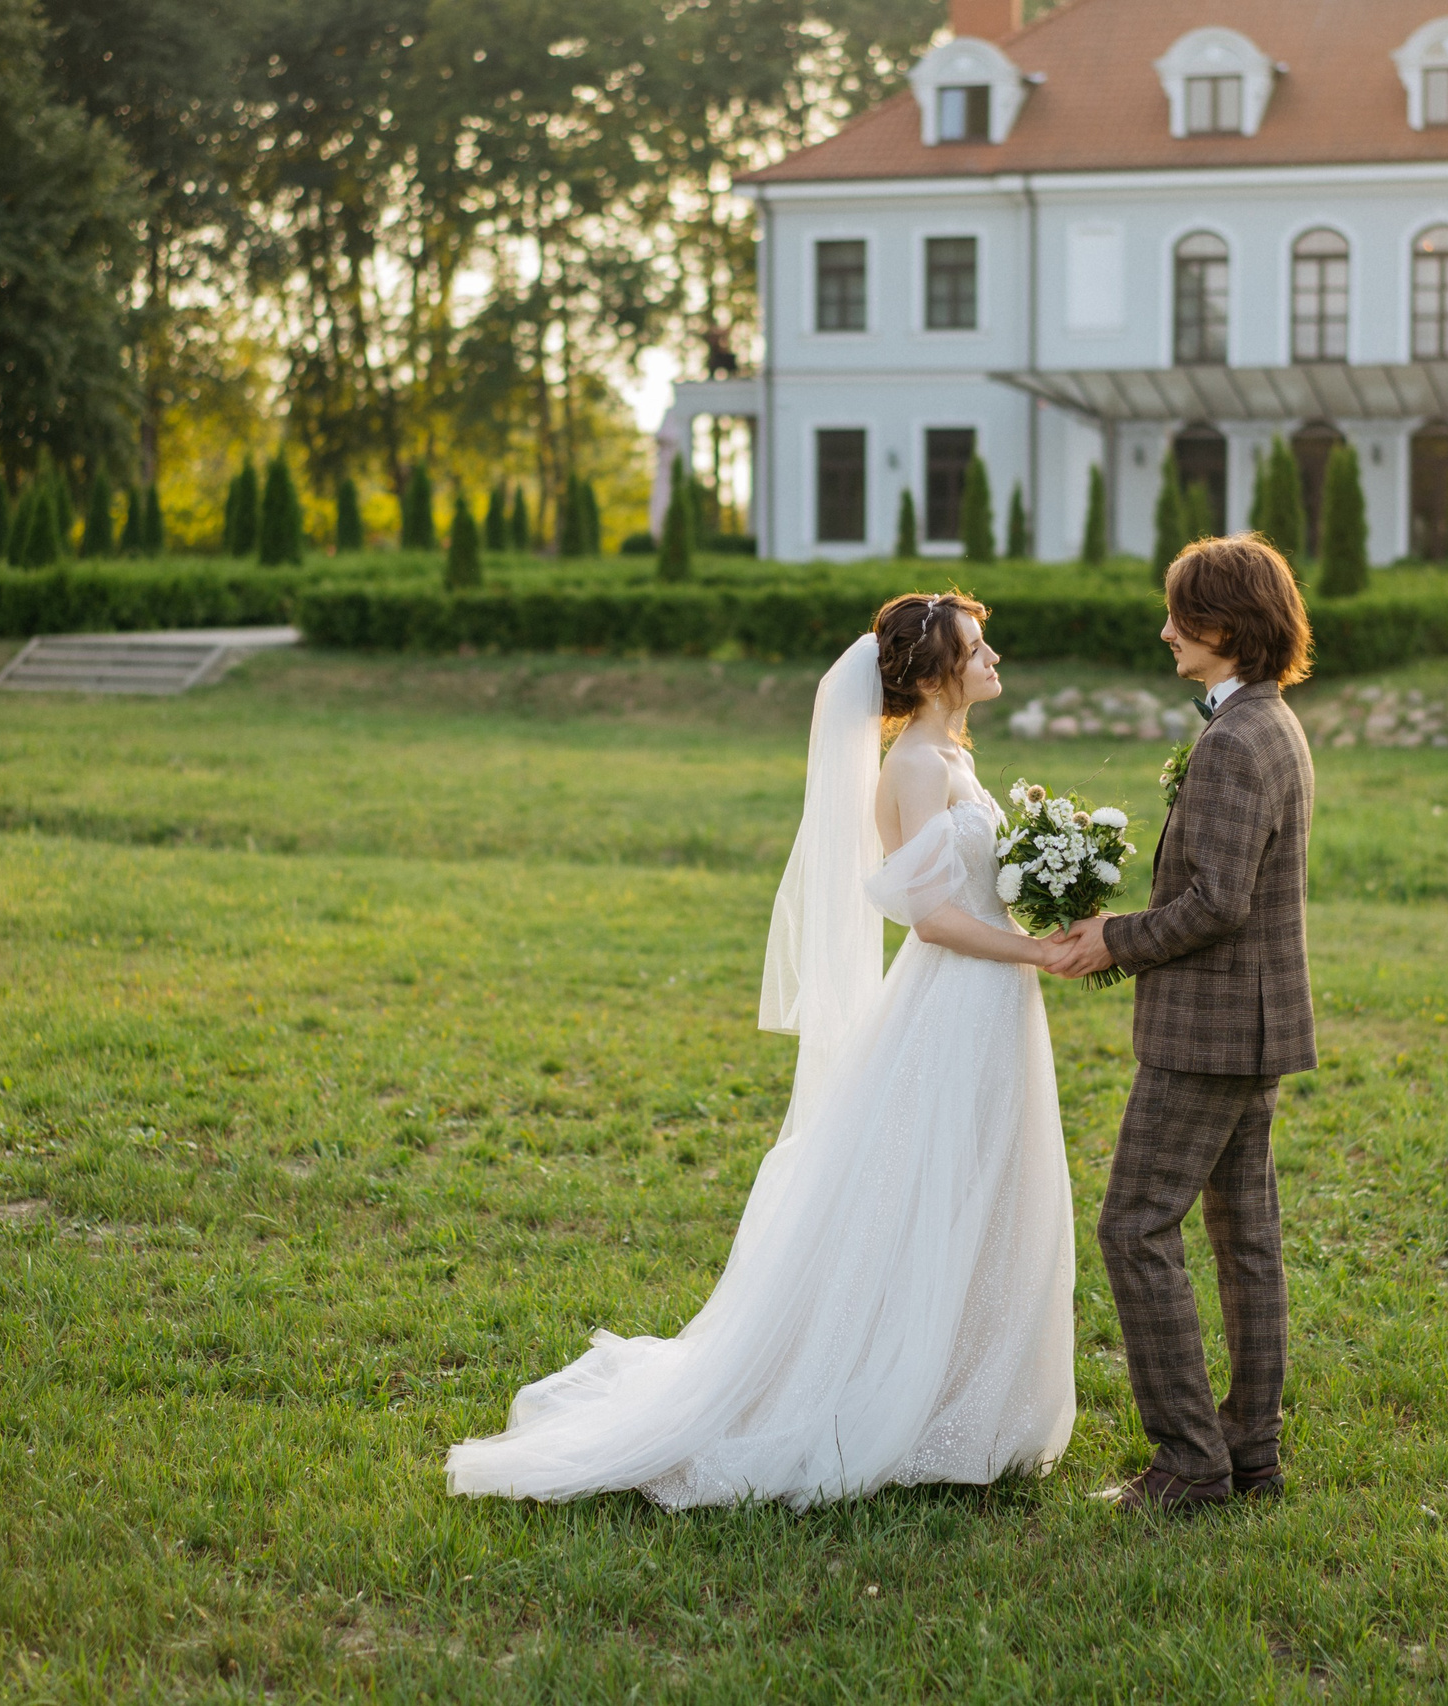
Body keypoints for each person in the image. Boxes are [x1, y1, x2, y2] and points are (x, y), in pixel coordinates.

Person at [446, 593, 1076, 1508]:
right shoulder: (911, 766)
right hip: (954, 1001)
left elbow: (975, 884)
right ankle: (899, 1395)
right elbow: (933, 920)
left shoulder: (954, 757)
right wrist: (1035, 952)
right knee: (931, 1186)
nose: (993, 659)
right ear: (937, 673)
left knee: (985, 1184)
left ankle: (966, 1395)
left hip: (994, 999)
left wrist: (1055, 894)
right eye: (977, 649)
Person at [1048, 534, 1317, 1512]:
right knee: (1245, 1238)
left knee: (1133, 1227)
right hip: (1252, 1026)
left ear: (1224, 626)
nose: (1165, 630)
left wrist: (1113, 937)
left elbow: (1216, 902)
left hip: (1209, 1034)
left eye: (1179, 615)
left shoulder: (1236, 741)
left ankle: (1190, 1464)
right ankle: (1251, 1454)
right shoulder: (1268, 722)